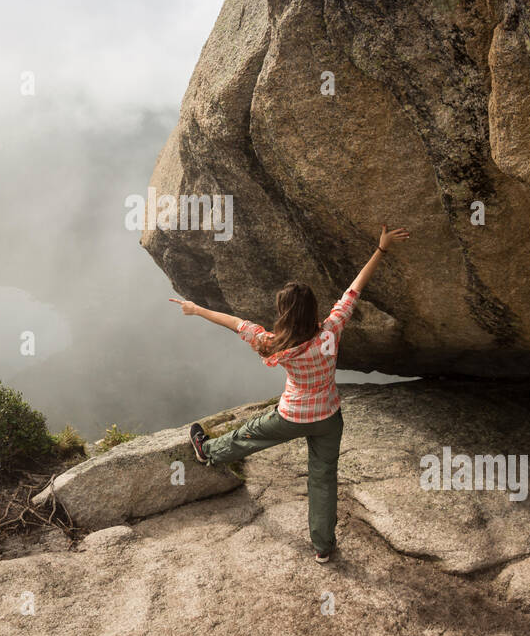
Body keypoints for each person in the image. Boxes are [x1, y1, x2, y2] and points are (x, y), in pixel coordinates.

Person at [169, 224, 410, 563]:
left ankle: (207, 451)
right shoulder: (331, 330)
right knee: (323, 480)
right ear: (312, 309)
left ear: (284, 314)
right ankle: (323, 548)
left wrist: (196, 309)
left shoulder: (274, 345)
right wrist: (381, 249)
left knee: (246, 435)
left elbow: (236, 323)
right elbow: (354, 290)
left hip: (292, 416)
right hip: (328, 417)